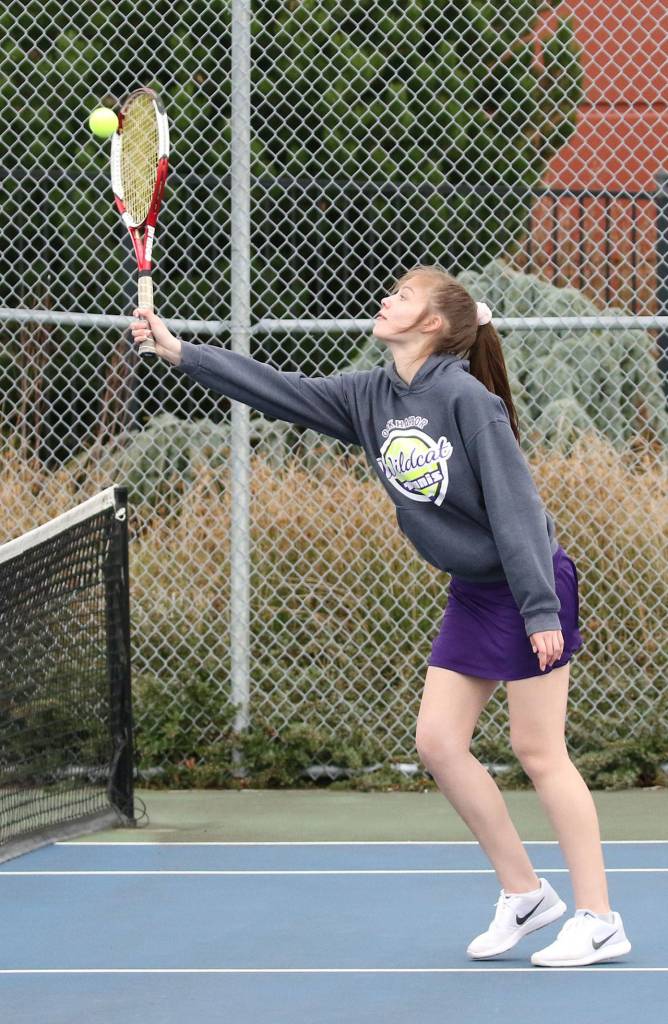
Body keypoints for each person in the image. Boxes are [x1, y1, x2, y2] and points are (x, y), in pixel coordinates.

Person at [130, 263, 631, 967]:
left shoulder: (466, 400)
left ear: (432, 324)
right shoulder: (371, 394)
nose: (386, 298)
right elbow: (281, 391)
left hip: (528, 584)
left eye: (402, 295)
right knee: (437, 743)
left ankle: (600, 917)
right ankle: (525, 896)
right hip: (475, 588)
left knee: (539, 750)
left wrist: (541, 610)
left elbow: (517, 509)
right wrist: (182, 350)